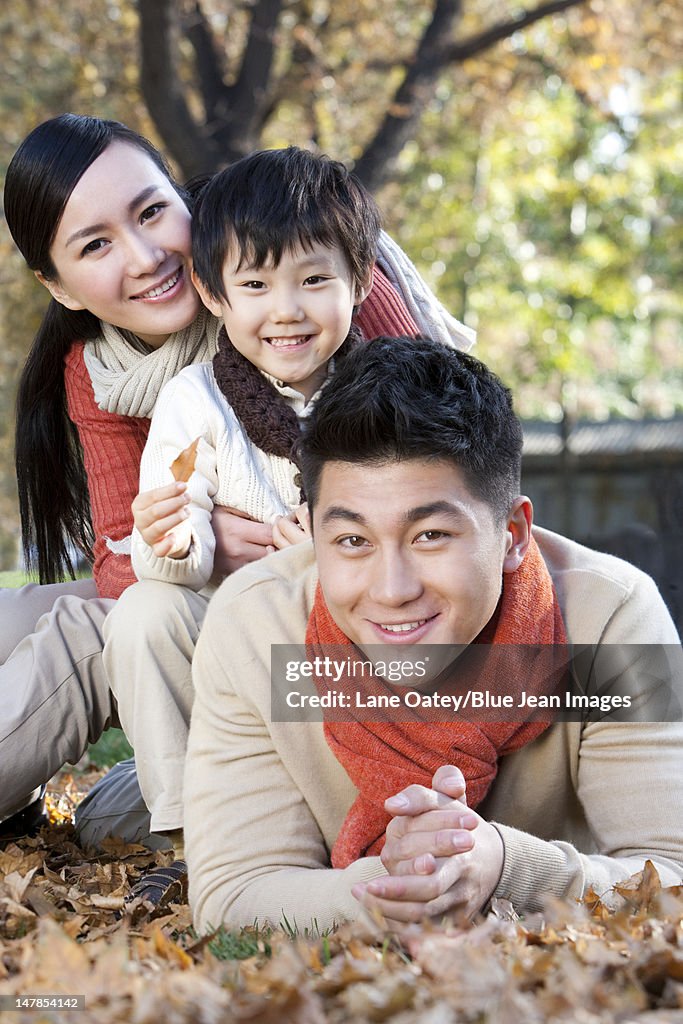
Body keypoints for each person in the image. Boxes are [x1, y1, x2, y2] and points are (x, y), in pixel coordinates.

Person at [0, 112, 471, 845]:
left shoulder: (309, 278)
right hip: (195, 590)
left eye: (152, 211)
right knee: (17, 621)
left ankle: (205, 817)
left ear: (184, 199)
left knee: (81, 643)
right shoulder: (98, 372)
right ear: (56, 286)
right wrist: (205, 536)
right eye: (95, 245)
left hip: (329, 614)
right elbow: (121, 556)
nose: (147, 255)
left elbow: (440, 450)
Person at [184, 335, 683, 934]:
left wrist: (502, 865)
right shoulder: (254, 623)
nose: (392, 589)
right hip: (195, 778)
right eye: (351, 541)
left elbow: (671, 872)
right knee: (120, 814)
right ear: (311, 531)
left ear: (513, 535)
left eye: (431, 536)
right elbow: (235, 892)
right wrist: (392, 888)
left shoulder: (612, 619)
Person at [102, 145, 383, 866]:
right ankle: (191, 839)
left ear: (360, 281)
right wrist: (170, 543)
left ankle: (359, 814)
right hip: (237, 657)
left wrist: (332, 544)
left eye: (314, 279)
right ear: (215, 293)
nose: (285, 311)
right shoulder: (194, 401)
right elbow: (178, 571)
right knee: (145, 611)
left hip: (357, 655)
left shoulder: (389, 393)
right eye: (255, 284)